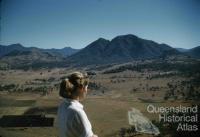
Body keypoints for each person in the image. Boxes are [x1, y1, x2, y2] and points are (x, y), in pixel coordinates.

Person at [57, 71, 98, 137]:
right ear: (81, 89)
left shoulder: (62, 106)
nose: (87, 91)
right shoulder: (76, 112)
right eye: (86, 87)